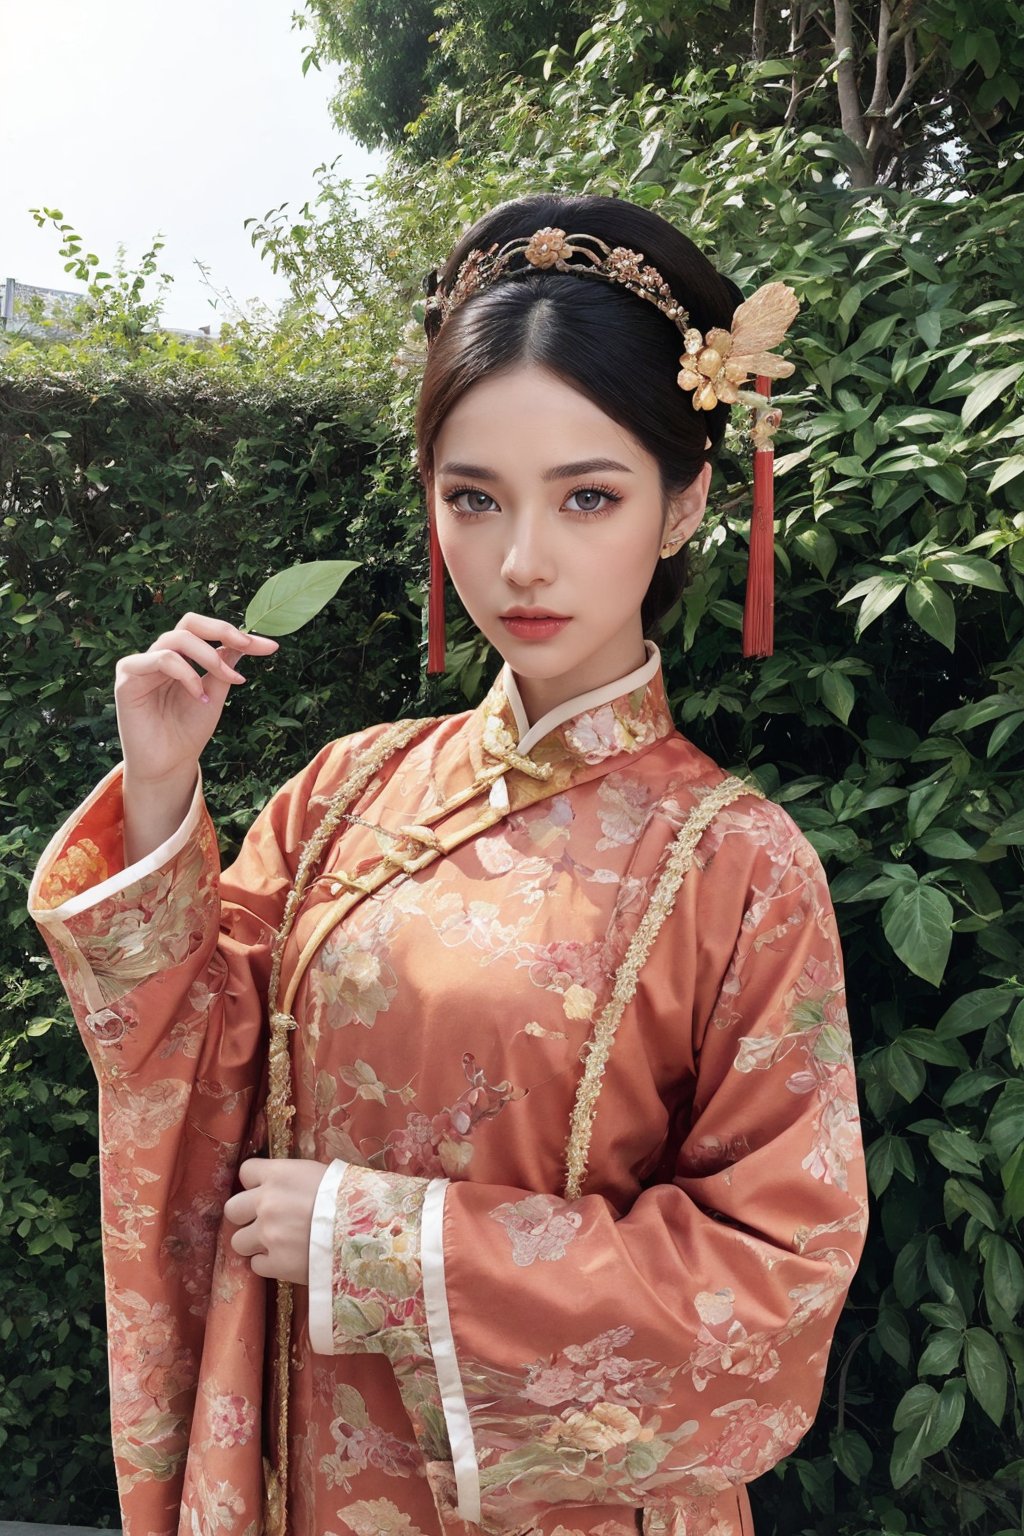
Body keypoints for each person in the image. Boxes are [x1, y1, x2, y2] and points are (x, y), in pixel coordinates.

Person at [29, 192, 868, 1536]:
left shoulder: (739, 867)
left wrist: (386, 1245)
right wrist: (166, 785)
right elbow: (190, 1065)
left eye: (587, 495)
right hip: (300, 1469)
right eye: (473, 498)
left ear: (686, 502)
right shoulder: (346, 789)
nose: (520, 560)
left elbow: (774, 1284)